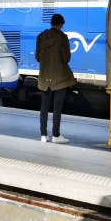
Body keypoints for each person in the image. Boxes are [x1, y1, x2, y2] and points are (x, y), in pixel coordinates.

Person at [35, 13, 75, 144]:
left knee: (44, 107)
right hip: (59, 78)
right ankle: (56, 136)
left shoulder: (41, 37)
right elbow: (66, 58)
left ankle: (43, 135)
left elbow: (38, 57)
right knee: (57, 107)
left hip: (45, 77)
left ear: (51, 23)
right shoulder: (62, 38)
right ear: (60, 24)